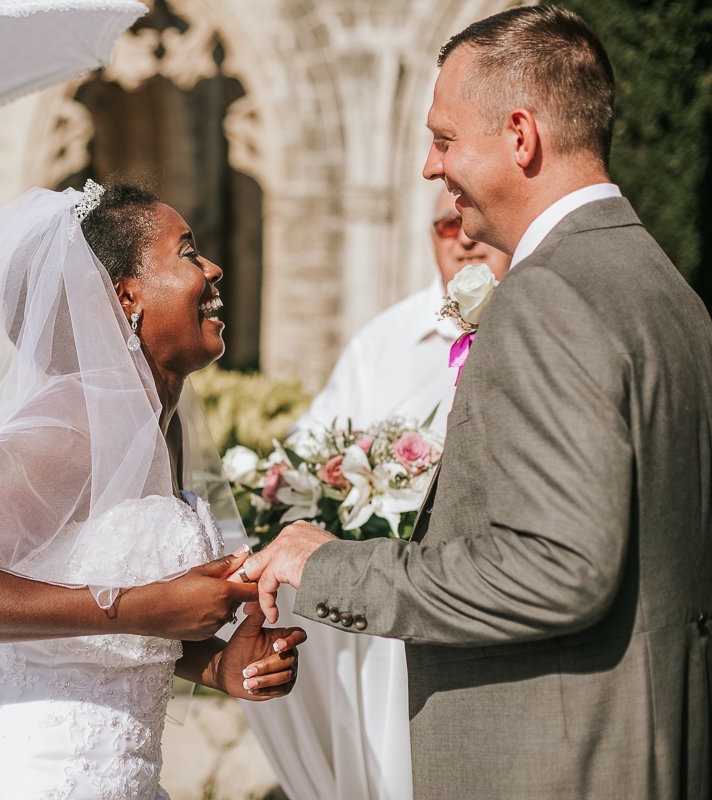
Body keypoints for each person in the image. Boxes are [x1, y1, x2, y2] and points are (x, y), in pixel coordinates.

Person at [240, 6, 712, 798]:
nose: (431, 167)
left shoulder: (550, 294)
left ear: (520, 136)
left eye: (445, 138)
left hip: (557, 763)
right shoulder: (660, 284)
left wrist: (331, 565)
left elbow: (560, 569)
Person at [0, 183, 306, 799]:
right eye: (187, 253)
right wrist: (141, 605)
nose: (213, 268)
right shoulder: (77, 421)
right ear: (125, 297)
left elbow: (87, 625)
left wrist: (215, 662)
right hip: (36, 773)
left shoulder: (151, 423)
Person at [248, 188, 511, 800]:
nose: (462, 238)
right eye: (446, 226)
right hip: (386, 602)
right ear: (429, 236)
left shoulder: (535, 327)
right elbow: (311, 452)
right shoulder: (384, 340)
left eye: (469, 222)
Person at [292, 188, 511, 436]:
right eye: (450, 225)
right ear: (433, 239)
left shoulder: (541, 325)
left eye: (477, 220)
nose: (465, 239)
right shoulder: (379, 340)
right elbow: (311, 436)